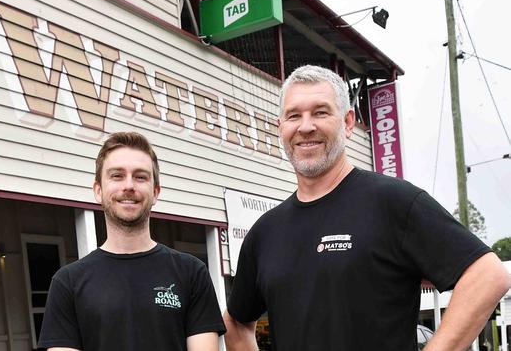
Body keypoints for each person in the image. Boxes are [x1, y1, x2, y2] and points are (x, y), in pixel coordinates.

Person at [223, 65, 511, 351]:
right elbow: (236, 323)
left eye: (321, 112)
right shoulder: (266, 233)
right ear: (281, 127)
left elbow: (487, 275)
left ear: (348, 122)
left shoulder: (392, 202)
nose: (306, 126)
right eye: (294, 115)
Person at [38, 132, 226, 351]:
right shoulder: (67, 283)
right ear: (98, 191)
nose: (129, 186)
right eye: (117, 176)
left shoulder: (191, 273)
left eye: (140, 177)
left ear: (155, 192)